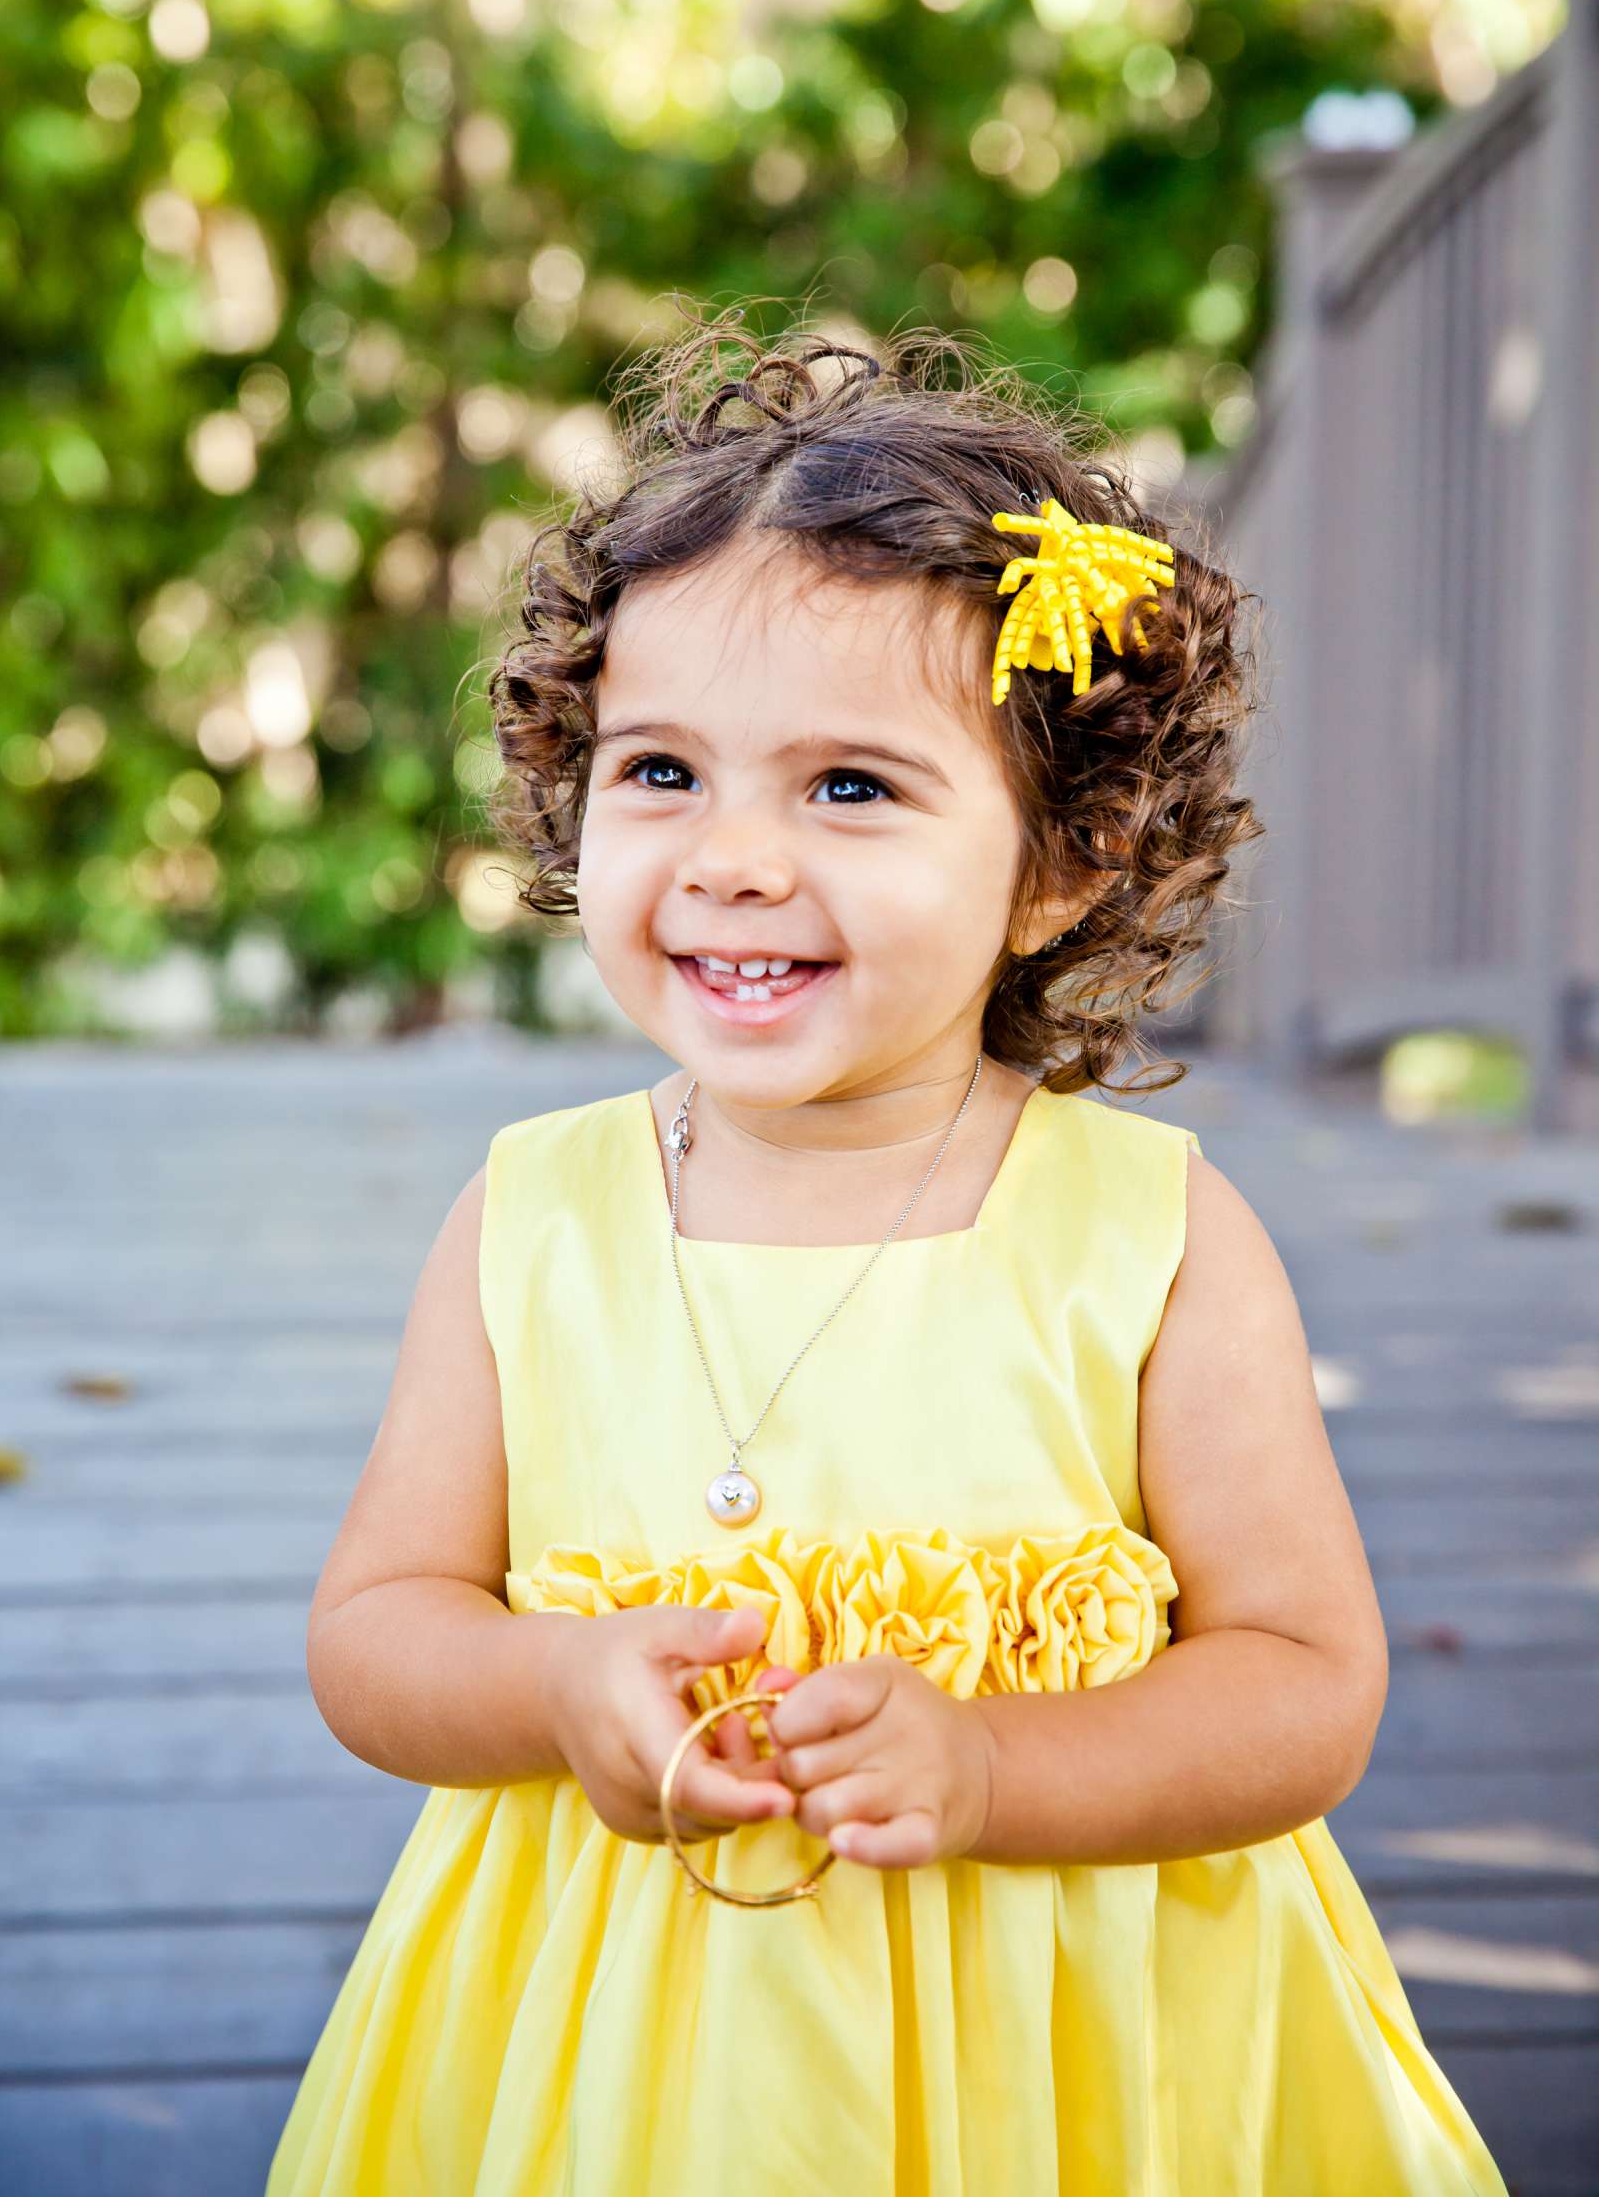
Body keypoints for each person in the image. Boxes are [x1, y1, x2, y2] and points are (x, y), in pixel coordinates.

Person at [267, 312, 1509, 2194]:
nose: (736, 857)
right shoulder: (536, 1216)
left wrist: (1002, 1770)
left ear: (1063, 860)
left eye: (849, 788)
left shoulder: (1147, 1238)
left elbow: (1303, 1674)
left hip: (1060, 2042)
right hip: (621, 2034)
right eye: (661, 772)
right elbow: (375, 1633)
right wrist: (554, 1689)